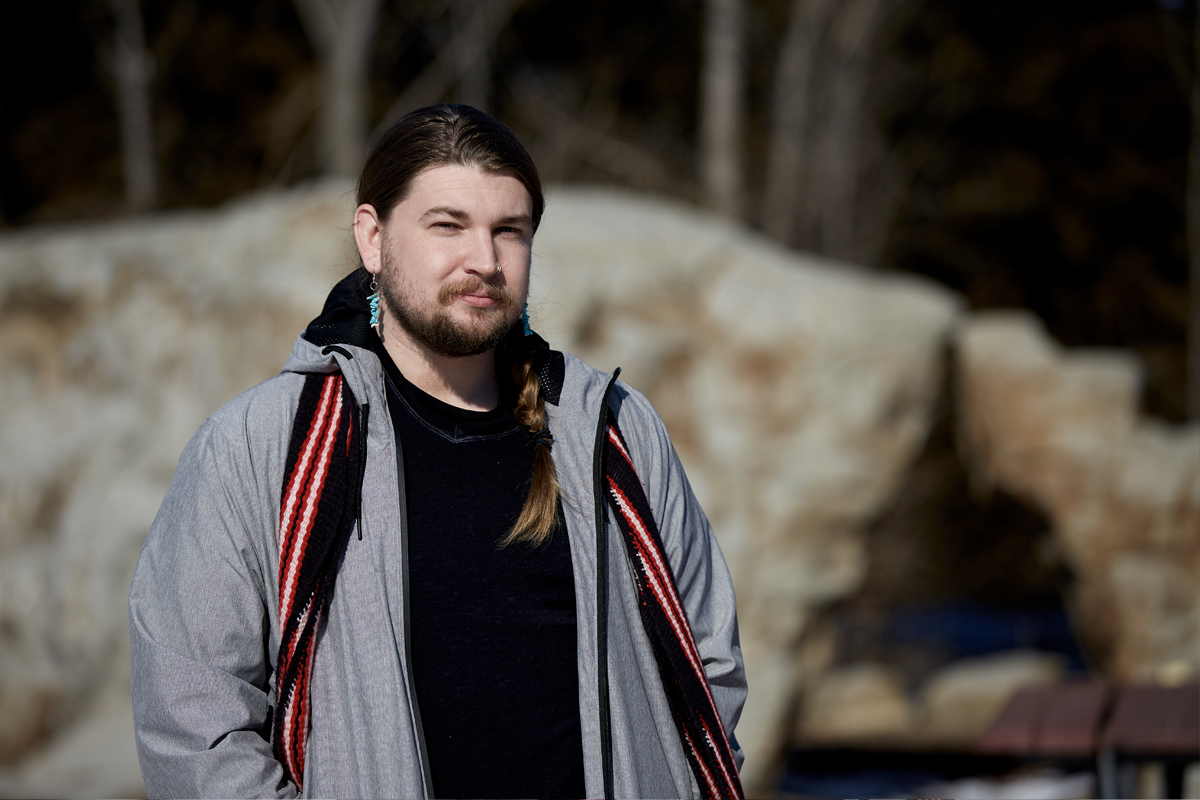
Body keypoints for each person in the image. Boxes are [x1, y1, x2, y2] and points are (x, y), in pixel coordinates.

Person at [128, 103, 745, 799]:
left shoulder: (613, 433)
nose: (484, 261)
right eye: (448, 225)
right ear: (373, 238)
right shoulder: (262, 445)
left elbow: (708, 668)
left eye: (509, 231)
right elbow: (194, 721)